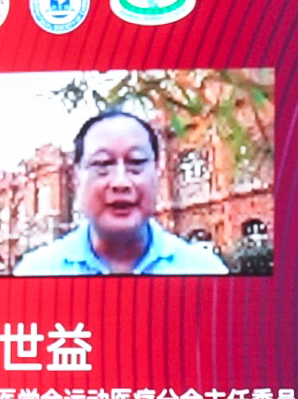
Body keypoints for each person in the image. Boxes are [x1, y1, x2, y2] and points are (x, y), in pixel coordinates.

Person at [14, 107, 230, 275]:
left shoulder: (205, 271)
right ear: (76, 178)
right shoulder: (35, 273)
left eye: (136, 162)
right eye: (102, 164)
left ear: (158, 171)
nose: (121, 182)